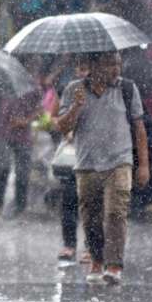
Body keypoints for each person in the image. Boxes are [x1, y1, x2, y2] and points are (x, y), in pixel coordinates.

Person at [57, 51, 149, 285]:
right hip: (86, 164)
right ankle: (97, 260)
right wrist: (76, 106)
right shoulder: (73, 90)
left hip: (120, 162)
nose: (116, 68)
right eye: (109, 64)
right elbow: (62, 126)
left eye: (118, 63)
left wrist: (144, 165)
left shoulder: (127, 89)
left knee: (115, 212)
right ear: (93, 65)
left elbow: (139, 129)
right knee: (91, 217)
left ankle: (115, 265)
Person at [50, 54, 91, 263]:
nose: (84, 73)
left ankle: (90, 247)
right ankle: (69, 244)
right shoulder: (68, 89)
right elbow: (56, 118)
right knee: (69, 201)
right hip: (73, 156)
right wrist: (67, 130)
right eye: (80, 68)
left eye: (87, 68)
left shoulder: (104, 91)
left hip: (94, 156)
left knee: (92, 203)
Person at [0, 57, 44, 219]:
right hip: (3, 132)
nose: (32, 68)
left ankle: (20, 207)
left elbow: (40, 110)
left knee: (22, 172)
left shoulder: (35, 87)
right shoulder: (5, 81)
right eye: (30, 64)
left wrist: (25, 120)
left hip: (23, 134)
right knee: (3, 168)